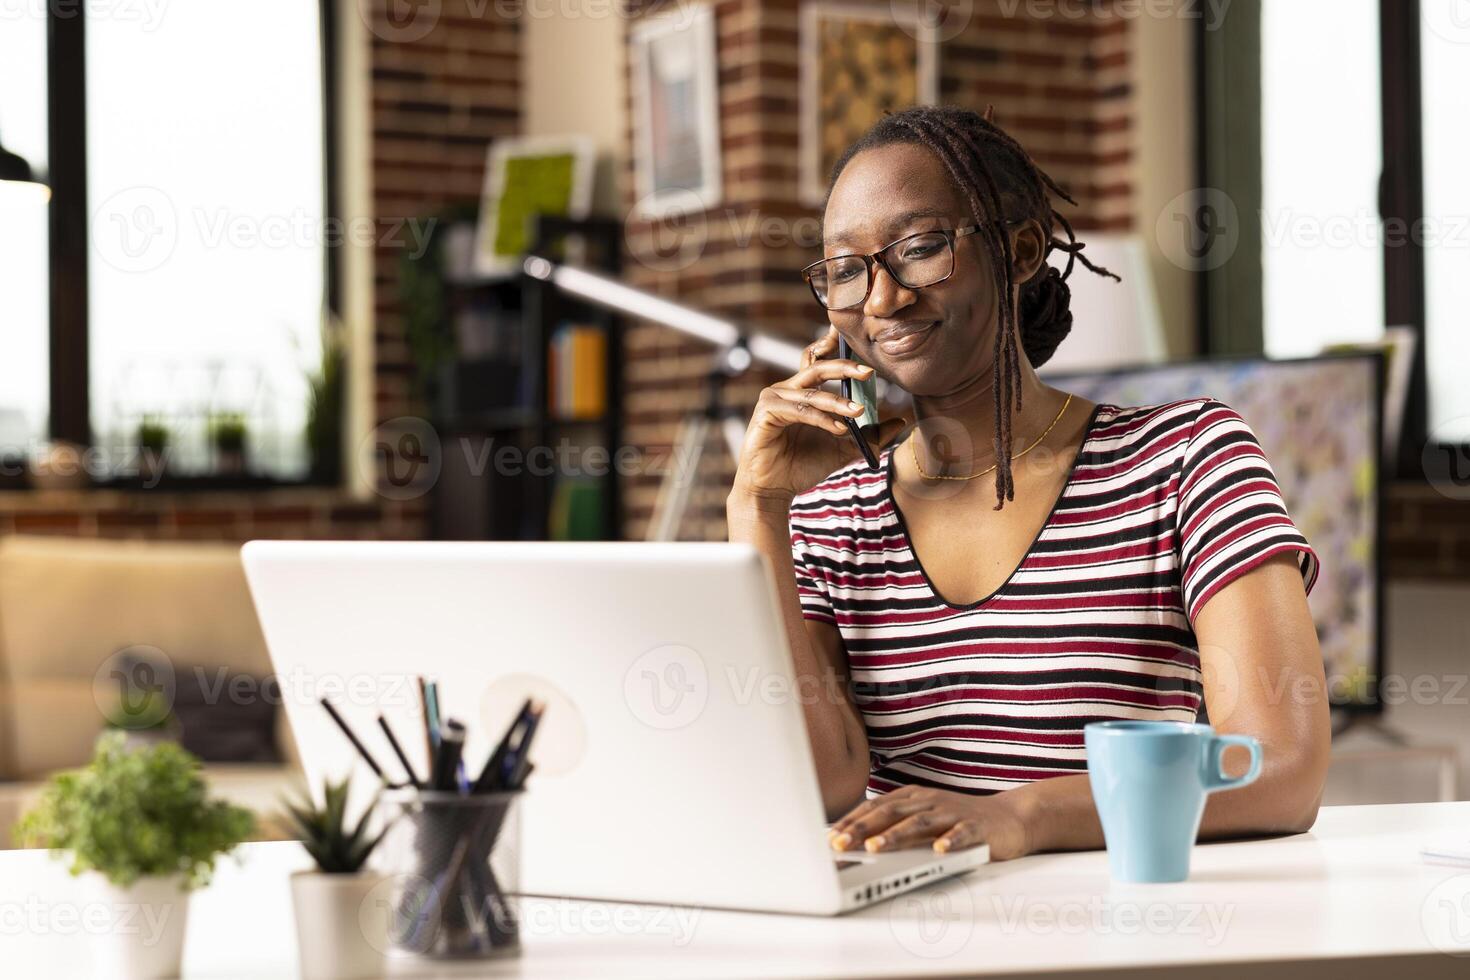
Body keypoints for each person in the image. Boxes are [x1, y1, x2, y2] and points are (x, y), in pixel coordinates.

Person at [726, 105, 1329, 861]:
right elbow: (820, 788)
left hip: (1120, 937)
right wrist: (759, 511)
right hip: (896, 943)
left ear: (1019, 250)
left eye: (918, 249)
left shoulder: (1185, 460)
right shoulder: (828, 520)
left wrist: (1022, 817)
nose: (880, 300)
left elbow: (1277, 770)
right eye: (846, 270)